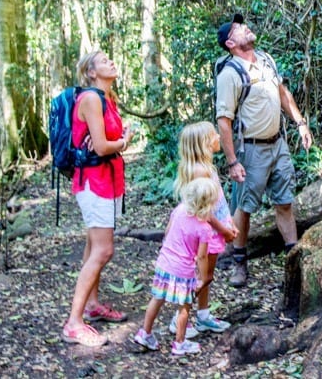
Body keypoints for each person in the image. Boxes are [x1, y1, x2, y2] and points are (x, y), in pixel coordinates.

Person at [215, 13, 313, 287]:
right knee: (245, 208)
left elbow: (283, 94)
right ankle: (239, 264)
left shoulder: (266, 59)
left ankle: (294, 260)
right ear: (231, 42)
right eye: (239, 28)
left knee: (284, 203)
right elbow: (224, 121)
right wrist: (233, 162)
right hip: (252, 150)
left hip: (278, 145)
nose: (246, 28)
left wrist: (300, 123)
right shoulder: (230, 74)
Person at [61, 51, 134, 347]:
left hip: (108, 179)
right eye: (104, 60)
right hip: (94, 182)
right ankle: (73, 323)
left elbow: (107, 141)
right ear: (91, 73)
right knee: (103, 251)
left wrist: (120, 138)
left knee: (94, 245)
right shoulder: (91, 99)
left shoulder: (108, 98)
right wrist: (124, 142)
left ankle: (91, 306)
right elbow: (103, 146)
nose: (112, 61)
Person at [167, 121, 238, 338]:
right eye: (214, 134)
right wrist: (224, 230)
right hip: (206, 231)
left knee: (208, 275)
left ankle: (204, 315)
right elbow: (204, 212)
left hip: (216, 229)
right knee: (200, 277)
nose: (219, 136)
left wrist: (230, 223)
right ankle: (179, 319)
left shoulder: (208, 168)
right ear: (204, 143)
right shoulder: (199, 172)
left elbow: (219, 202)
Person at [133, 177, 217, 356]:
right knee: (184, 306)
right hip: (183, 270)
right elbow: (202, 256)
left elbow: (168, 231)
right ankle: (180, 342)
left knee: (157, 298)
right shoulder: (204, 228)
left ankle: (145, 332)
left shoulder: (178, 211)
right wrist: (202, 277)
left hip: (164, 263)